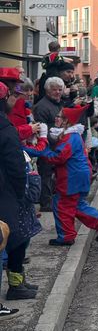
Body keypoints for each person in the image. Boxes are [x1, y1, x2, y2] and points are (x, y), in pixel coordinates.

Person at [39, 105, 98, 246]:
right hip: (77, 176)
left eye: (59, 116)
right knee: (76, 205)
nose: (56, 118)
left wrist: (42, 150)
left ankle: (68, 236)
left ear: (66, 121)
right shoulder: (71, 135)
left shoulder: (70, 137)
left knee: (62, 204)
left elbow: (58, 157)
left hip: (72, 178)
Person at [0, 82, 40, 307]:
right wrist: (20, 193)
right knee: (15, 239)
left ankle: (19, 282)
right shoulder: (6, 129)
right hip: (7, 193)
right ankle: (15, 286)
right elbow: (15, 165)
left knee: (16, 240)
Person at [32, 76, 66, 211]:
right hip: (47, 146)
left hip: (57, 145)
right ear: (47, 91)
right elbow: (42, 129)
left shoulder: (58, 103)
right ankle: (46, 203)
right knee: (45, 173)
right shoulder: (42, 106)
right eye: (54, 90)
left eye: (60, 89)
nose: (57, 92)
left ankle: (51, 198)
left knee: (53, 174)